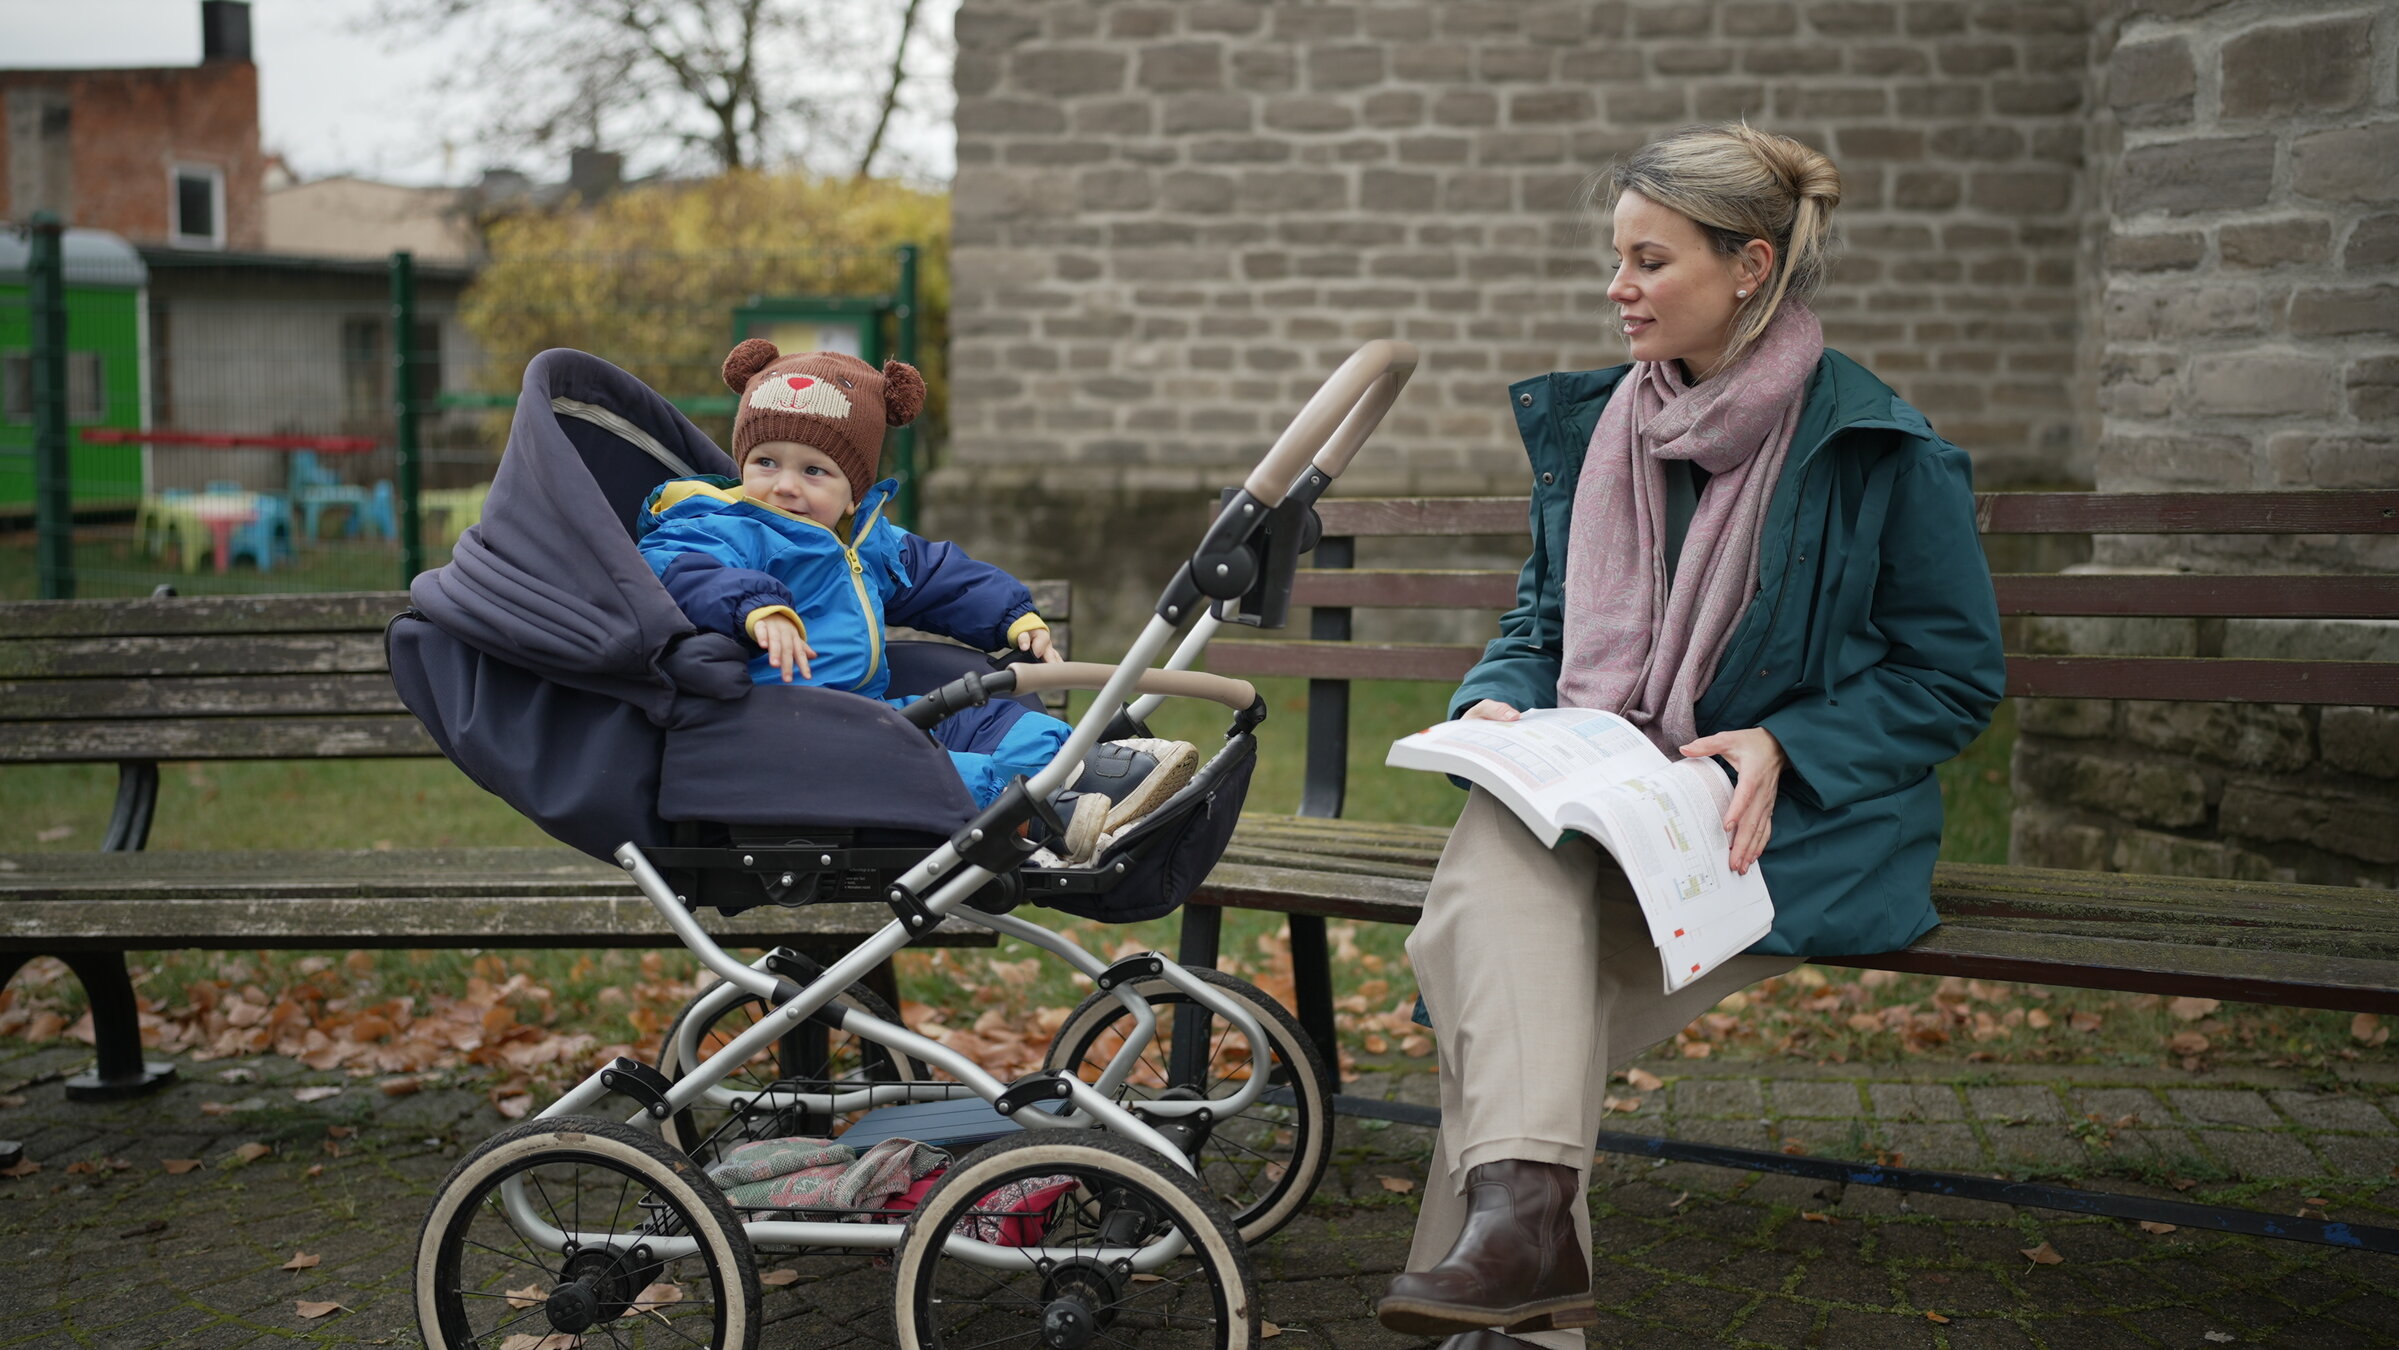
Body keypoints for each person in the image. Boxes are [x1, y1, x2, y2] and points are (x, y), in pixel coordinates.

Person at [1376, 124, 2007, 1349]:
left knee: (1496, 1009)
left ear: (1749, 266)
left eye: (1648, 260)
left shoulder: (1878, 448)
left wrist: (1787, 741)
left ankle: (1518, 1255)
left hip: (1782, 832)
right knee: (1506, 901)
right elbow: (1541, 616)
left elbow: (1950, 676)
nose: (1615, 288)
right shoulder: (1603, 430)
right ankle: (1521, 1251)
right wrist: (1496, 701)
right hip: (1610, 806)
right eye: (1615, 258)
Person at [637, 339, 1194, 856]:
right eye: (765, 462)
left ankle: (1085, 773)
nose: (785, 485)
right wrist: (756, 607)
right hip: (784, 731)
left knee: (991, 720)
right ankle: (1038, 815)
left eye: (814, 470)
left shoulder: (864, 541)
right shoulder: (723, 524)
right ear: (741, 465)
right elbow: (682, 567)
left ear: (854, 494)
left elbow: (935, 575)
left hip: (868, 713)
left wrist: (1011, 615)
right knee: (917, 762)